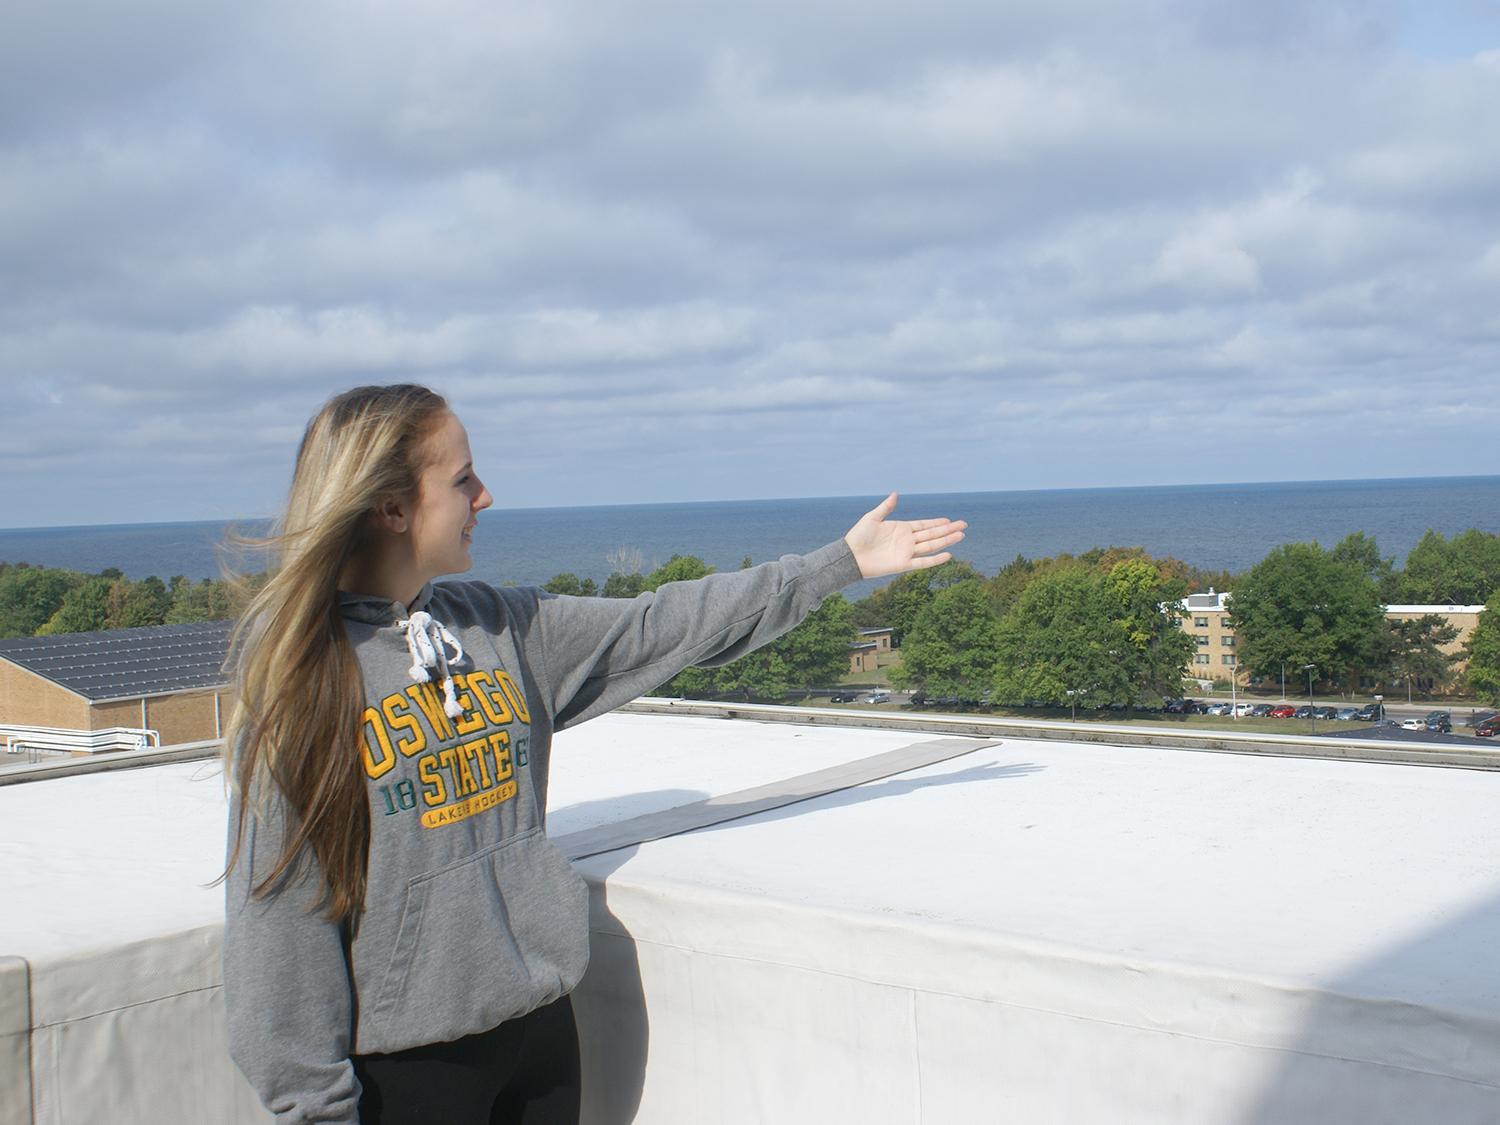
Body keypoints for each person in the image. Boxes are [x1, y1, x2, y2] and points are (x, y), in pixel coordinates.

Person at [221, 383, 966, 1124]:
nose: (484, 495)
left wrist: (838, 565)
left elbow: (663, 624)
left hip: (540, 1036)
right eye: (461, 479)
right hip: (411, 1073)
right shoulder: (306, 683)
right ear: (392, 508)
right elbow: (278, 930)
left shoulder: (499, 630)